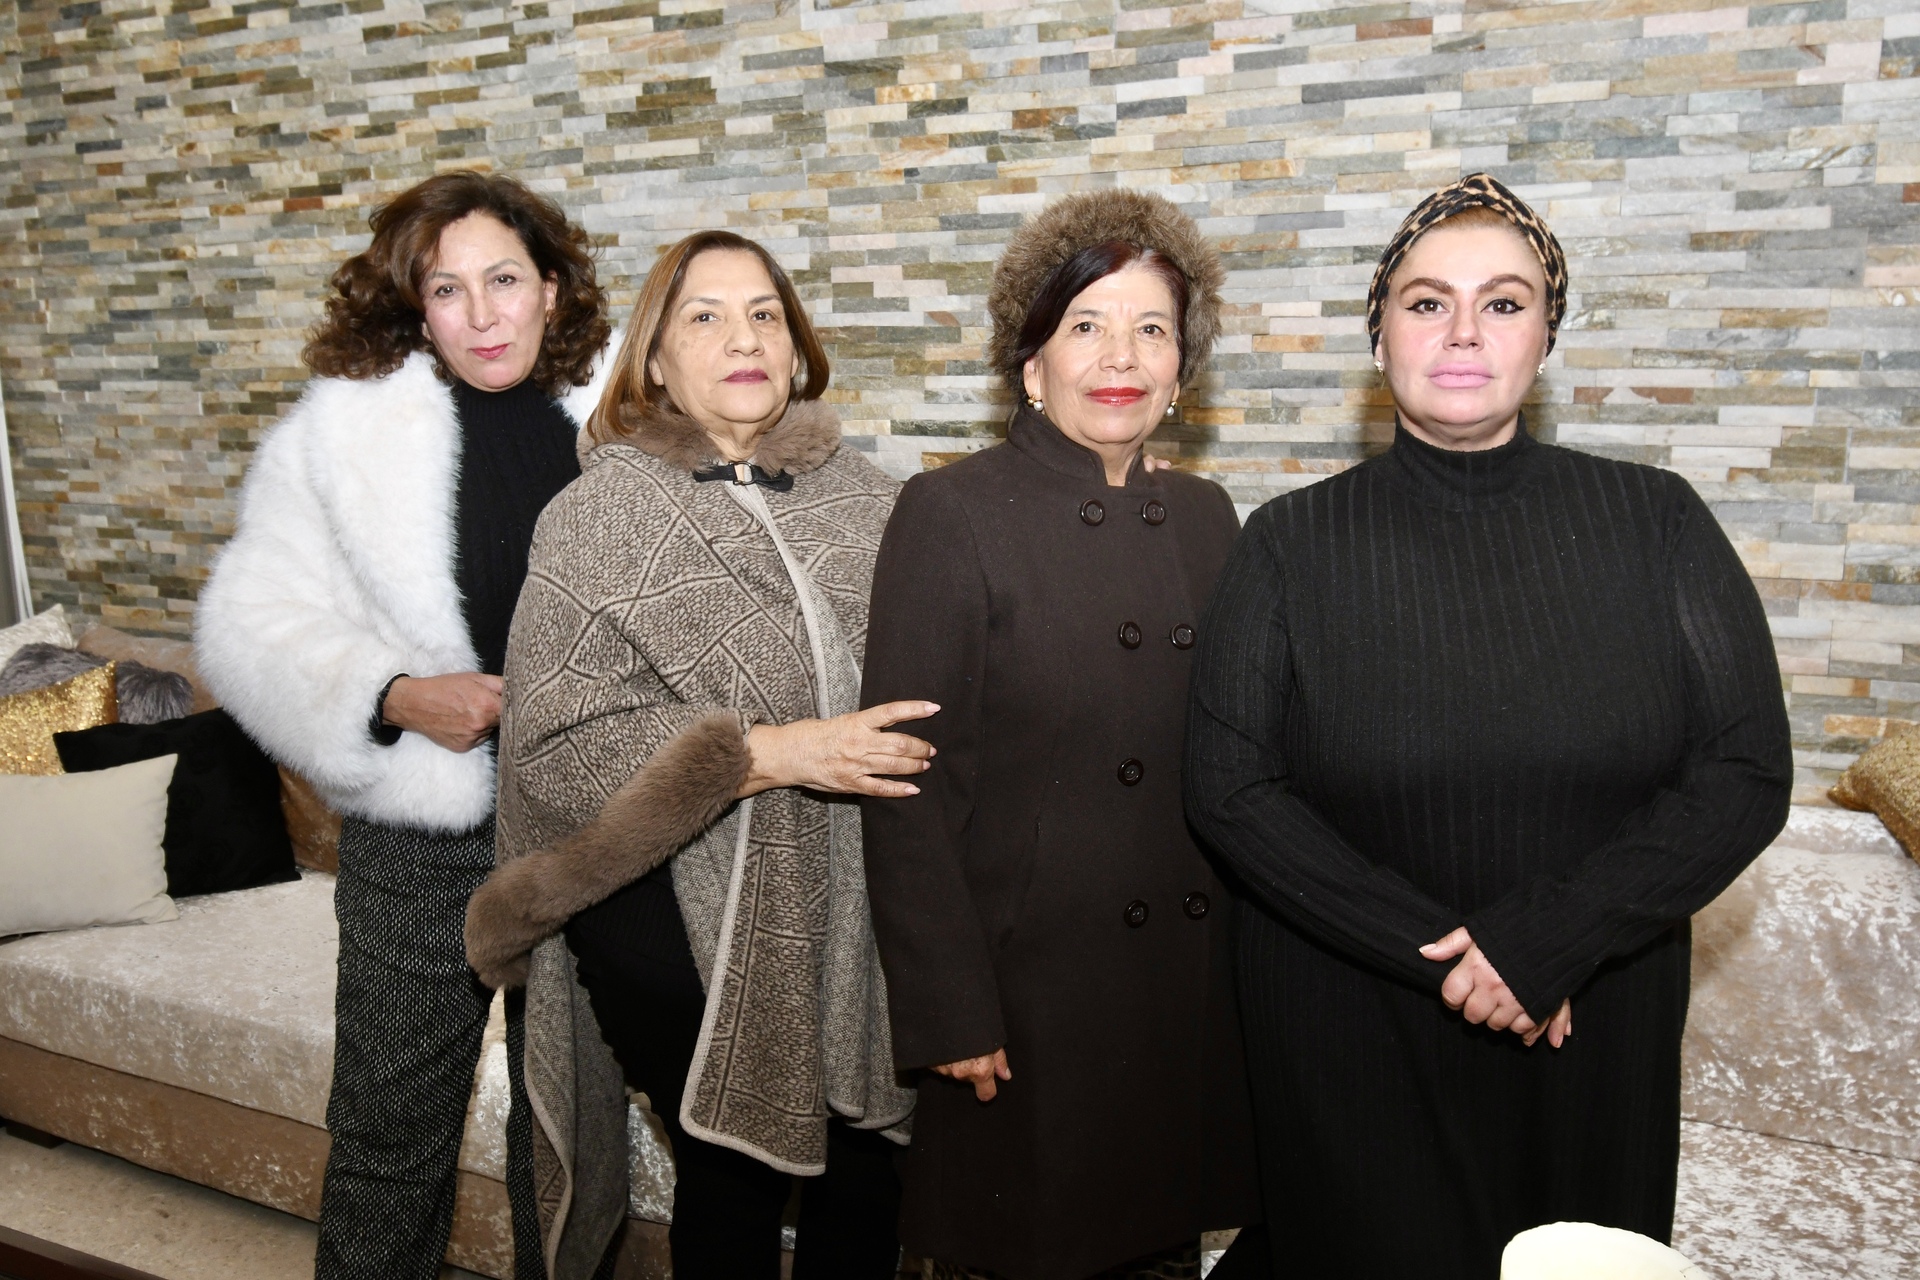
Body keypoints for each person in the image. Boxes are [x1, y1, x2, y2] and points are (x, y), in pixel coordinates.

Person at [1183, 173, 1794, 1278]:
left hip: (1593, 1020)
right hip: (1351, 1025)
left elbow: (1745, 769)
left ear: (1546, 336)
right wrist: (1454, 956)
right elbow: (1229, 787)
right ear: (1379, 337)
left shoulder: (1657, 521)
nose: (1463, 330)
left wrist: (1550, 938)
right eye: (1427, 302)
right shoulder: (1286, 541)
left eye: (1503, 302)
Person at [462, 230, 928, 1280]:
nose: (744, 338)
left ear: (797, 347)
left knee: (871, 1172)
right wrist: (769, 753)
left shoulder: (874, 501)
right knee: (732, 1173)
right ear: (657, 360)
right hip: (661, 902)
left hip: (855, 895)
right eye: (705, 317)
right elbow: (555, 745)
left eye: (765, 314)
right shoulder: (596, 517)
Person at [195, 171, 611, 1280]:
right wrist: (388, 691)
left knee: (566, 1140)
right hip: (420, 833)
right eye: (447, 289)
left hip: (593, 828)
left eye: (505, 281)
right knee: (387, 1134)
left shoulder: (630, 419)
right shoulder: (339, 436)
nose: (482, 316)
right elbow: (249, 618)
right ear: (415, 309)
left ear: (553, 288)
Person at [859, 190, 1265, 1280]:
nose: (1120, 355)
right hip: (1027, 1002)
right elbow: (909, 785)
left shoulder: (1207, 515)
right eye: (1086, 323)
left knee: (1161, 1255)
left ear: (1181, 369)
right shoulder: (950, 512)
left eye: (1151, 328)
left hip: (1178, 993)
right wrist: (949, 1007)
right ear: (1031, 361)